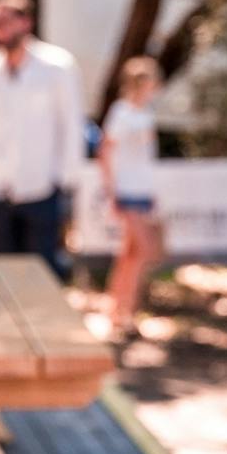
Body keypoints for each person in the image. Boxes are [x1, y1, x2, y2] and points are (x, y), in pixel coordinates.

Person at [0, 0, 85, 274]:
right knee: (2, 271)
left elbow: (70, 125)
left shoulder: (57, 67)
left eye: (5, 21)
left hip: (40, 187)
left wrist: (66, 179)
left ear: (26, 22)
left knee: (40, 272)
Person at [99, 55, 164, 338]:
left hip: (142, 191)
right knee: (145, 249)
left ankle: (120, 312)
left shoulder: (146, 114)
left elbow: (145, 158)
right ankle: (122, 311)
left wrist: (152, 190)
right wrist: (111, 192)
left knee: (131, 255)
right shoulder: (122, 113)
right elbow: (105, 152)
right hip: (126, 192)